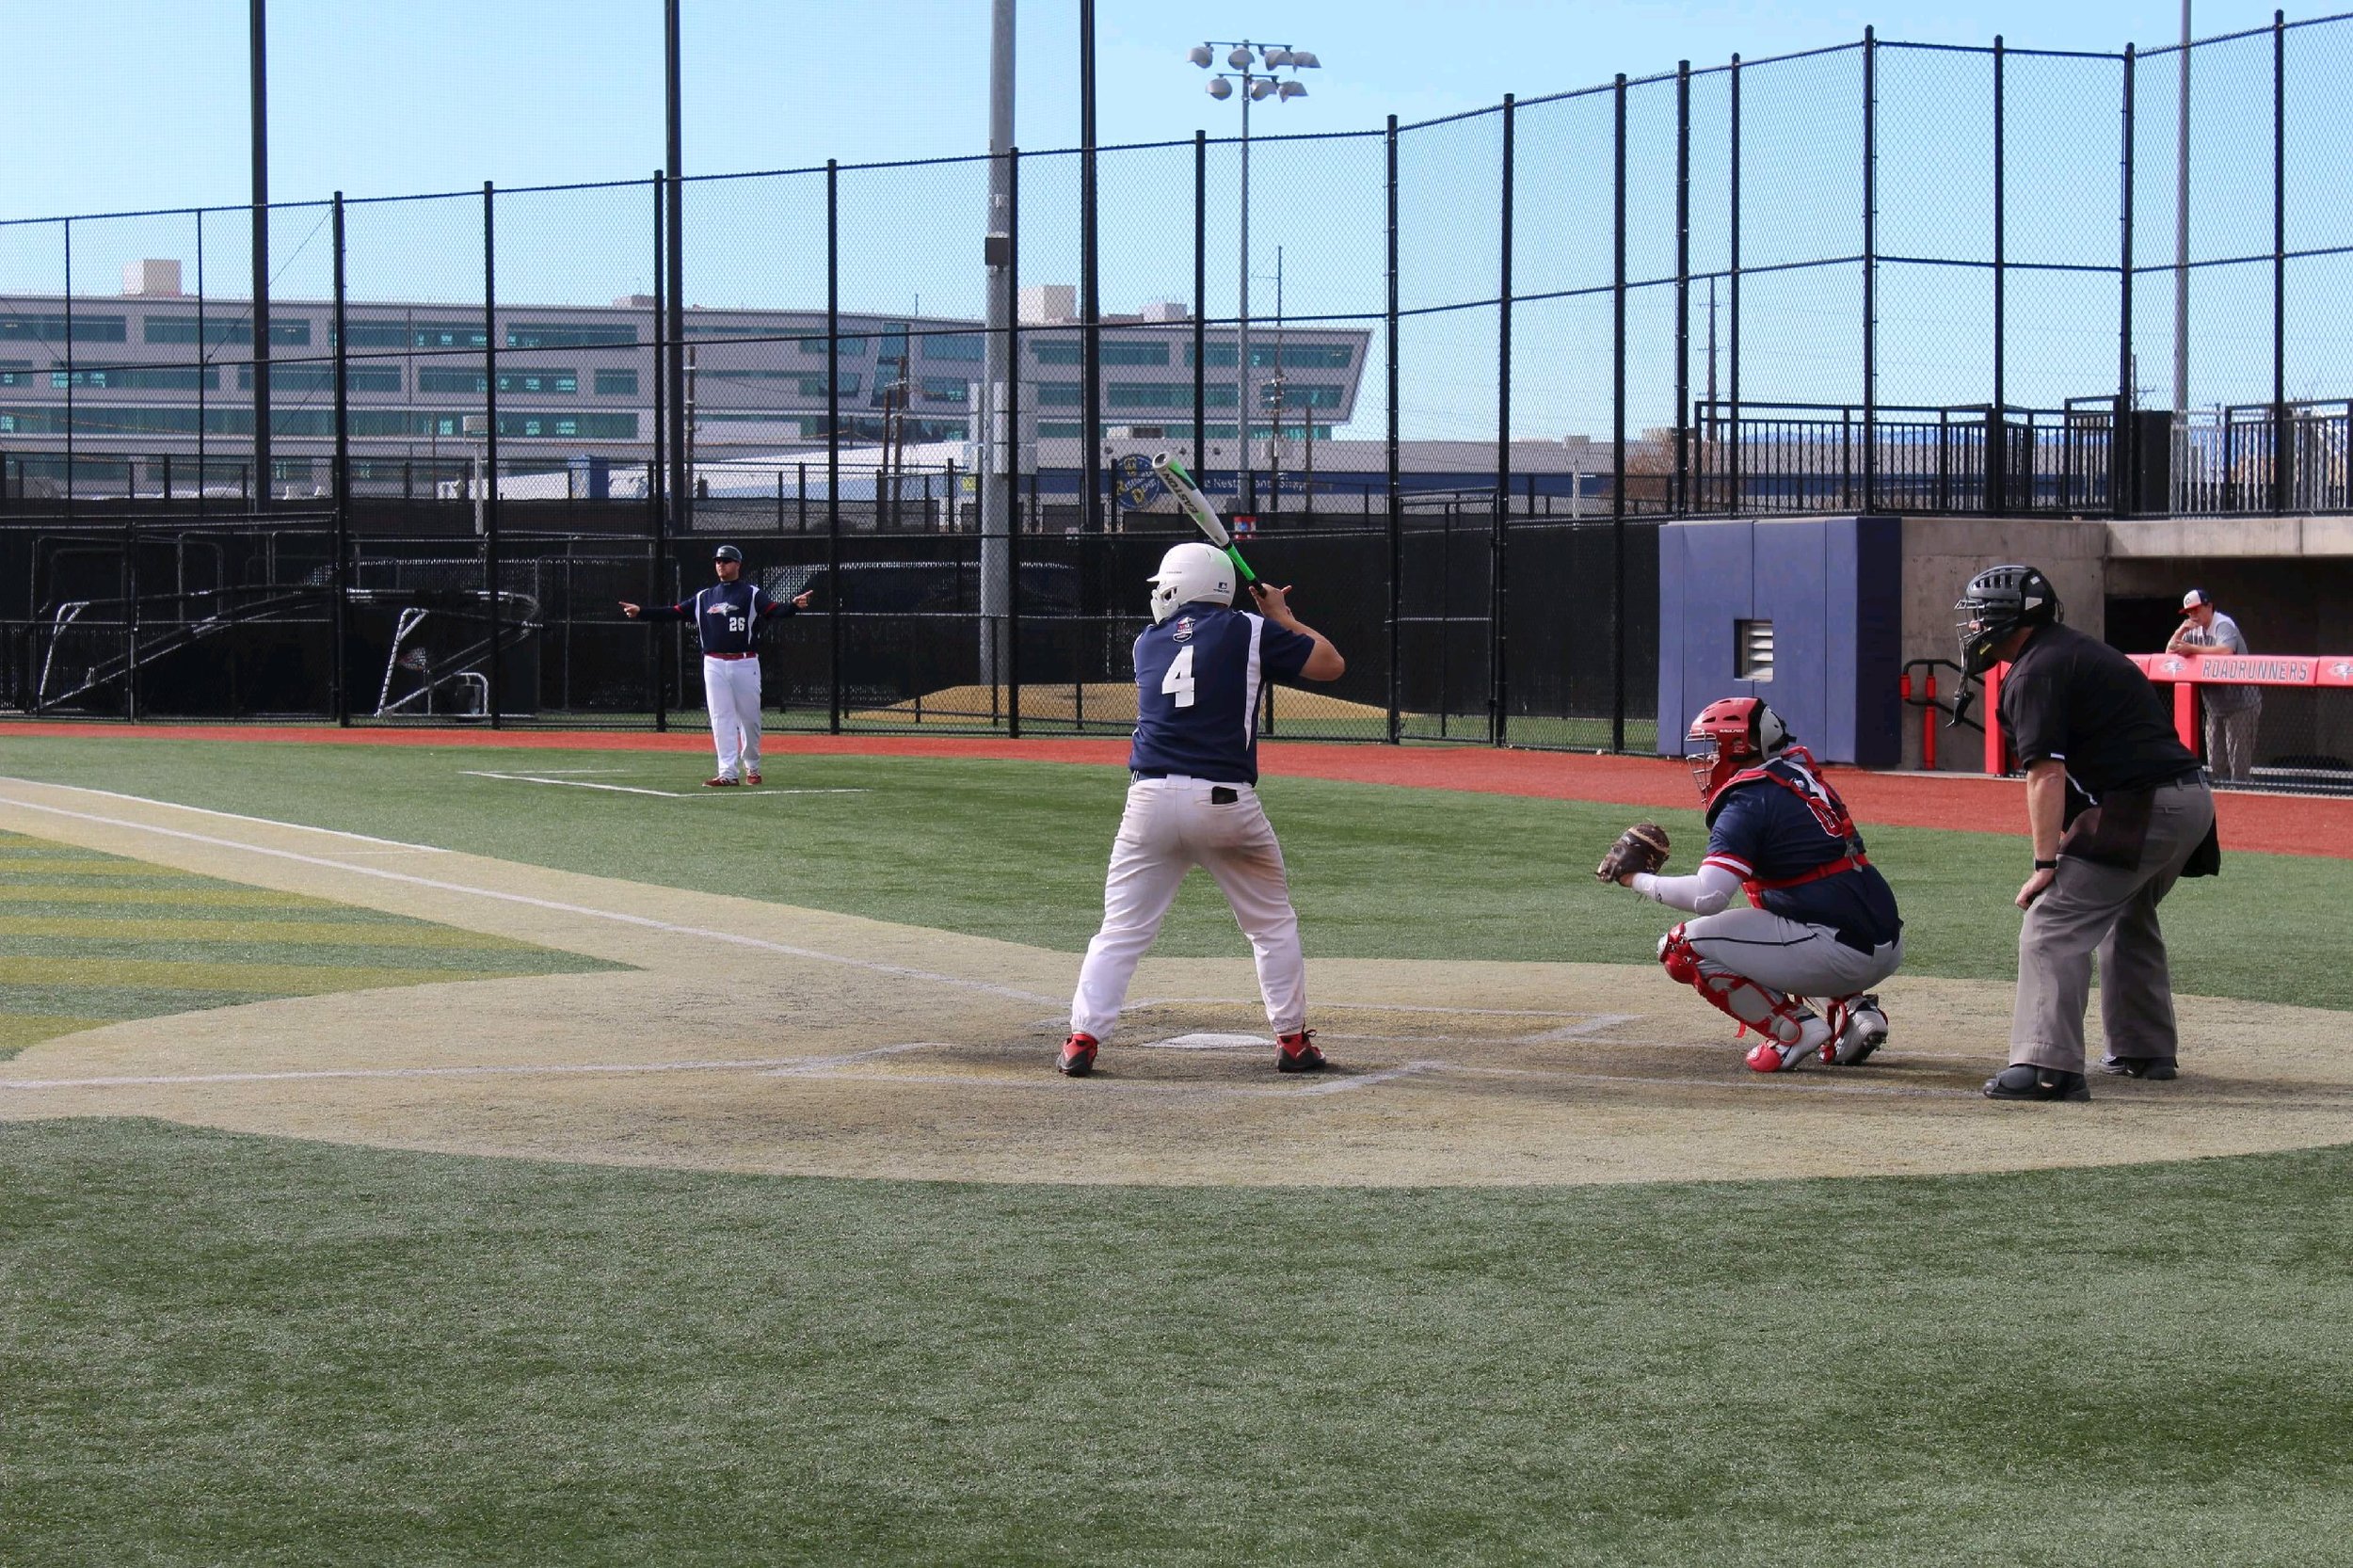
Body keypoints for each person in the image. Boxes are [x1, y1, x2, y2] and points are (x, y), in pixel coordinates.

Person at [1060, 542, 1346, 1078]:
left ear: (1181, 586)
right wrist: (1283, 618)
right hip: (1225, 803)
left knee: (1120, 931)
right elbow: (1331, 665)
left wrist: (1263, 622)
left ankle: (1081, 1039)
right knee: (1271, 925)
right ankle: (1291, 1040)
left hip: (1147, 803)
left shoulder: (1148, 642)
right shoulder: (1249, 629)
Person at [1955, 564, 2218, 1102]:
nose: (1976, 624)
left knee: (2052, 924)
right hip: (2190, 801)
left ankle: (2047, 1068)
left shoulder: (2036, 670)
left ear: (2009, 616)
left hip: (2145, 805)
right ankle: (2145, 1049)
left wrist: (2046, 865)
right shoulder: (2073, 651)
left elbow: (2046, 774)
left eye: (1983, 613)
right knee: (2127, 912)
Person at [1609, 696, 1903, 1073]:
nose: (1705, 760)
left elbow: (1709, 895)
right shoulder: (1800, 774)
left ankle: (1792, 1031)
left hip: (1835, 946)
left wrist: (1636, 879)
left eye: (1713, 747)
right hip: (1880, 936)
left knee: (1681, 948)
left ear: (1738, 748)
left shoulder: (1748, 799)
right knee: (1784, 911)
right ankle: (1855, 1011)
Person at [621, 545, 811, 788]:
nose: (721, 564)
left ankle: (752, 766)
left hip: (745, 662)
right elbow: (673, 612)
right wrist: (641, 612)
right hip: (713, 663)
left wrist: (793, 606)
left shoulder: (751, 594)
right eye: (718, 561)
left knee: (750, 720)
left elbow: (774, 611)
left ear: (737, 565)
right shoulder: (704, 597)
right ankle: (728, 773)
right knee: (721, 718)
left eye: (727, 560)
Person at [2166, 587, 2262, 783]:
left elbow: (2226, 651)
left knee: (2239, 768)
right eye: (2189, 612)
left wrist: (2191, 649)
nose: (2193, 615)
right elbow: (2169, 652)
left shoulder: (2222, 624)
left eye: (2196, 609)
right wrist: (2181, 630)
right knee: (2216, 764)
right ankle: (2225, 808)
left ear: (2209, 606)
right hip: (2215, 707)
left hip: (2242, 703)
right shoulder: (2194, 630)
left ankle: (2245, 808)